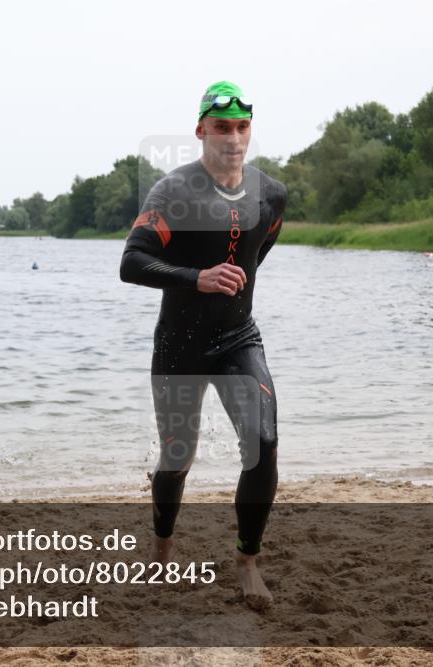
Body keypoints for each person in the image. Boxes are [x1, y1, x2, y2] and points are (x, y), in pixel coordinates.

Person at [120, 81, 287, 609]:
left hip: (239, 337)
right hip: (180, 343)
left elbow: (257, 251)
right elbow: (132, 262)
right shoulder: (174, 193)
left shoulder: (272, 195)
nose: (233, 138)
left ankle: (248, 563)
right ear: (200, 131)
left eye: (242, 127)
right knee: (177, 456)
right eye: (221, 128)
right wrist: (198, 278)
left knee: (263, 442)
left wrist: (225, 283)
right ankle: (162, 549)